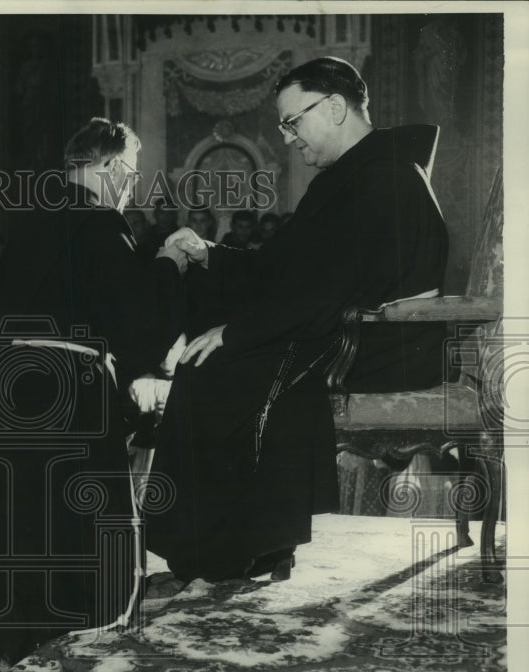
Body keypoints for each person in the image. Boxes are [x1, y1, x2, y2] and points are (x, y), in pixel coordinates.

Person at [146, 56, 449, 584]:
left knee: (213, 368)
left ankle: (225, 552)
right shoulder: (350, 177)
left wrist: (236, 332)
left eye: (293, 122)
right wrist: (209, 254)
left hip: (381, 345)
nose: (288, 139)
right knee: (216, 357)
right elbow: (280, 268)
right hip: (345, 328)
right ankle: (259, 542)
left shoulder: (385, 178)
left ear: (334, 107)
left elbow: (324, 289)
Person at [0, 117, 190, 670]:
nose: (133, 187)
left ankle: (3, 629)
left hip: (12, 381)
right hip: (68, 383)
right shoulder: (99, 221)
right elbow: (132, 317)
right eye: (130, 174)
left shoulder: (31, 219)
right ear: (107, 168)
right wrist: (168, 264)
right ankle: (65, 644)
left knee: (24, 508)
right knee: (72, 511)